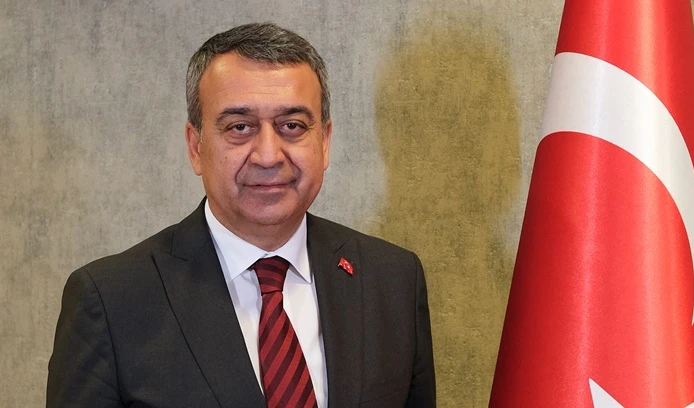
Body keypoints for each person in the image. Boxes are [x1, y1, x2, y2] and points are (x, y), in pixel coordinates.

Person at [47, 22, 436, 408]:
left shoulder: (393, 280)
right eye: (240, 127)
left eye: (292, 126)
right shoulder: (111, 302)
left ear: (324, 142)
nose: (268, 155)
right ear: (196, 147)